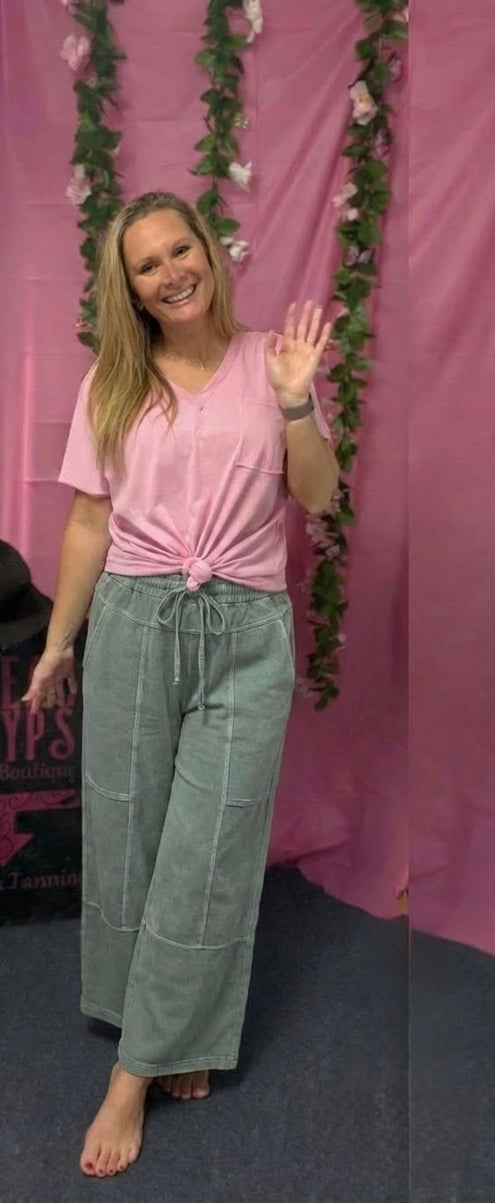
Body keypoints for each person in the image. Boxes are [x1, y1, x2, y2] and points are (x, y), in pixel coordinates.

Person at [23, 190, 339, 1179]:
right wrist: (58, 642)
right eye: (146, 265)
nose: (170, 271)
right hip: (134, 618)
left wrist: (296, 402)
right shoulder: (113, 383)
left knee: (209, 845)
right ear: (133, 291)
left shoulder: (268, 364)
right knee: (132, 831)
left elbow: (318, 495)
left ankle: (135, 1066)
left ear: (209, 251)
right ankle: (170, 1025)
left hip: (244, 628)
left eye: (180, 248)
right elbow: (86, 521)